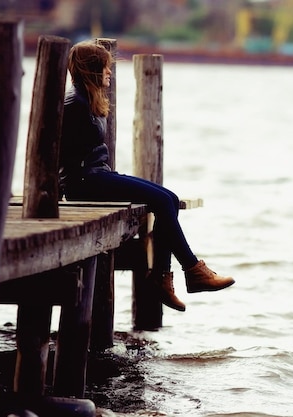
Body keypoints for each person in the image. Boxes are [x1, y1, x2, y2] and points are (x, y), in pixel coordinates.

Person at [59, 40, 234, 312]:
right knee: (163, 202)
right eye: (105, 67)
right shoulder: (74, 103)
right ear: (92, 69)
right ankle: (192, 271)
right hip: (84, 183)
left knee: (170, 199)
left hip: (97, 175)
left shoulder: (88, 98)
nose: (109, 73)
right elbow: (59, 153)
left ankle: (164, 277)